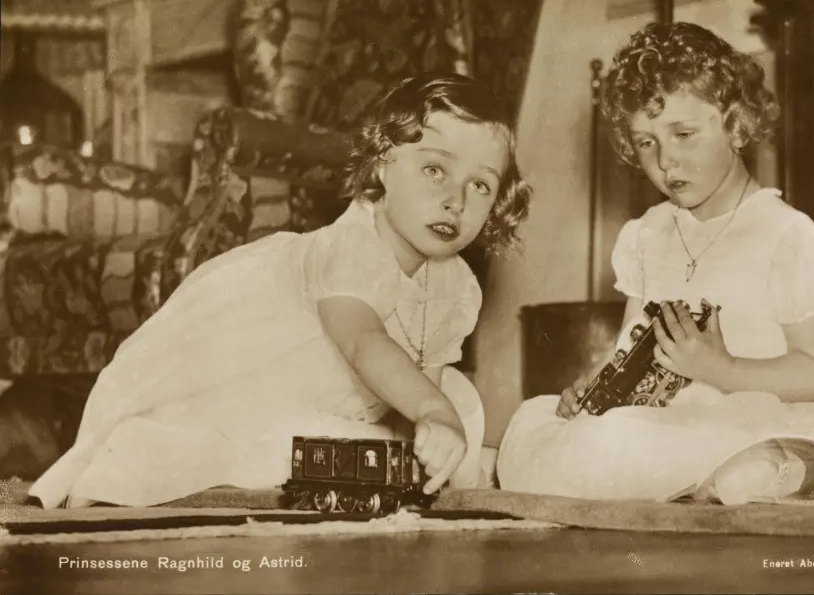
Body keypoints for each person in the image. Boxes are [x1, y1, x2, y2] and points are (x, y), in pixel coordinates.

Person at [29, 73, 532, 509]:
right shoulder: (351, 245)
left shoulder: (456, 286)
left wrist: (425, 436)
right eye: (434, 170)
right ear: (383, 164)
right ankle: (134, 456)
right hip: (260, 371)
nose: (455, 200)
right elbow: (364, 342)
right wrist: (431, 412)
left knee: (458, 408)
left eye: (480, 186)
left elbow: (424, 379)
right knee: (238, 445)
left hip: (356, 394)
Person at [496, 22, 814, 504]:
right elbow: (629, 344)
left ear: (736, 125)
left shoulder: (784, 234)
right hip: (667, 419)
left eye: (683, 134)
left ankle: (772, 469)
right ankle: (717, 480)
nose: (666, 161)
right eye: (646, 142)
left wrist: (723, 369)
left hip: (760, 406)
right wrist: (595, 386)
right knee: (539, 427)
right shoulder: (646, 235)